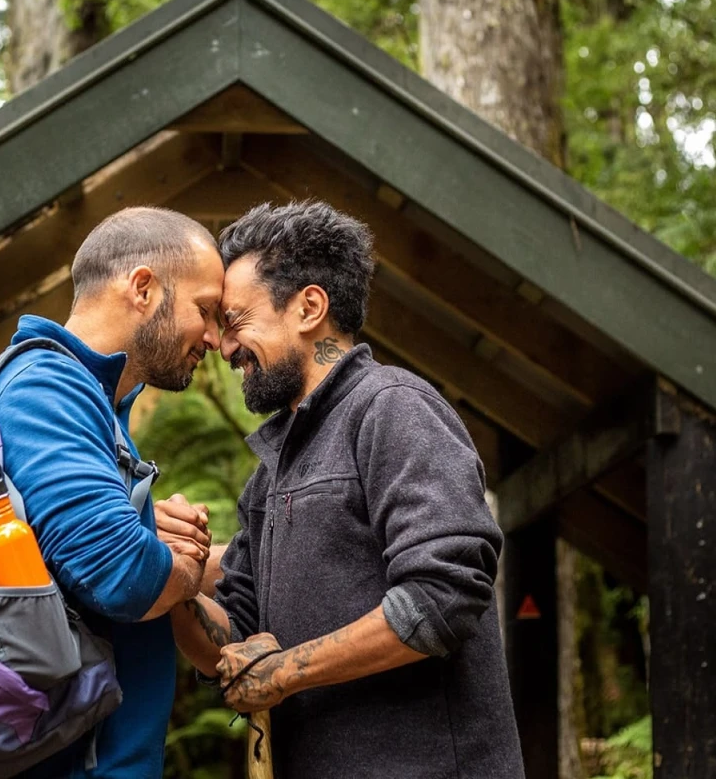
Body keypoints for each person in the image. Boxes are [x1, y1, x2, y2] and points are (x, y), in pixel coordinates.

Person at [160, 200, 525, 779]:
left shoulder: (394, 408)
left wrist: (286, 672)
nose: (223, 347)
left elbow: (443, 596)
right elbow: (235, 638)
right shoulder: (271, 472)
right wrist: (169, 574)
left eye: (234, 321)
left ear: (309, 307)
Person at [0, 206, 223, 779]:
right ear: (143, 287)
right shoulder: (47, 387)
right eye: (205, 311)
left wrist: (147, 531)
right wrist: (179, 559)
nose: (214, 337)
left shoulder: (97, 402)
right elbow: (124, 575)